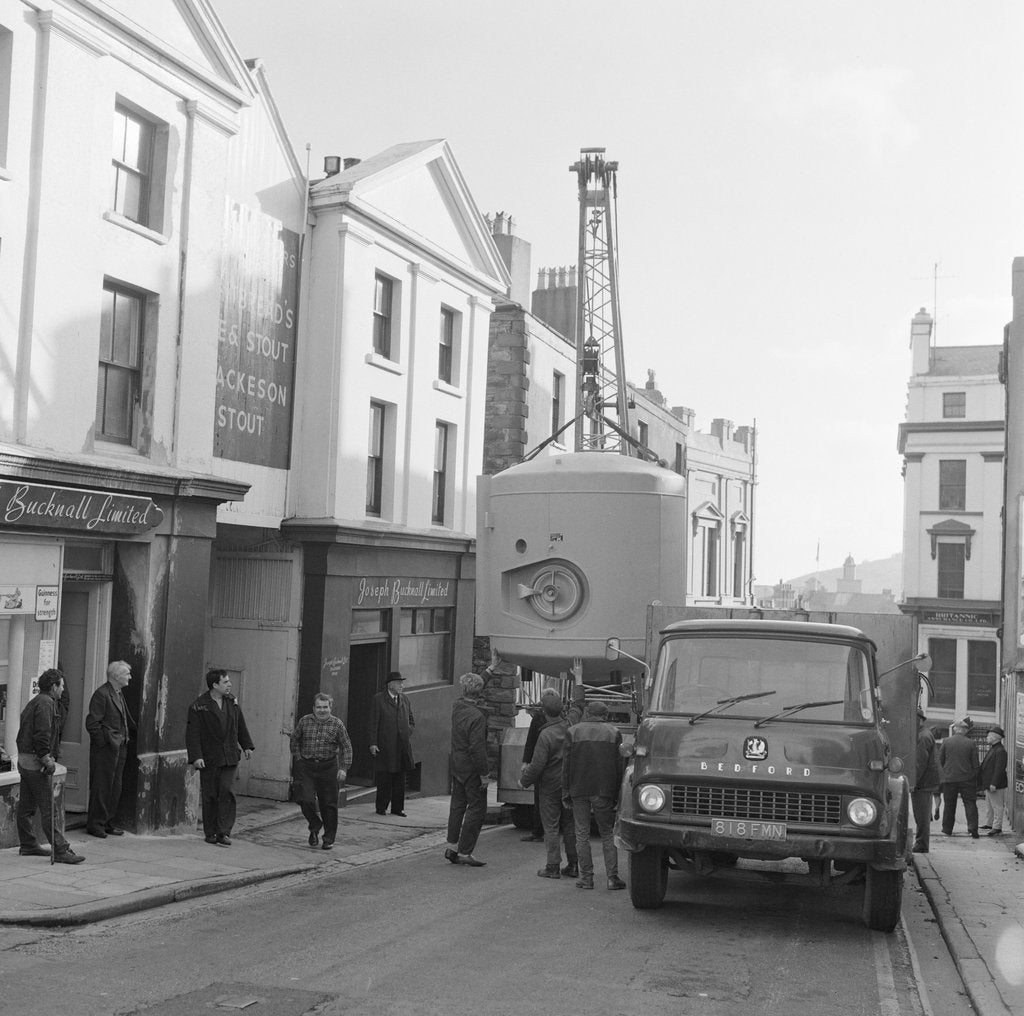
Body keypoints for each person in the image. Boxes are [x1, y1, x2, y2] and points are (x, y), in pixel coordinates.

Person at [16, 669, 84, 863]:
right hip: (35, 762)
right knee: (49, 808)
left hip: (25, 760)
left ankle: (28, 845)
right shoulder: (46, 703)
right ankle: (61, 850)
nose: (63, 690)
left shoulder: (36, 701)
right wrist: (47, 759)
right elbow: (41, 734)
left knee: (27, 806)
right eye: (61, 686)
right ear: (53, 686)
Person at [185, 669, 255, 847]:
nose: (229, 684)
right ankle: (211, 832)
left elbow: (240, 724)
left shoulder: (232, 702)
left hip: (230, 755)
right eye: (225, 682)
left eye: (229, 681)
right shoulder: (199, 706)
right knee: (210, 795)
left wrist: (246, 745)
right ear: (215, 685)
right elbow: (193, 734)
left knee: (227, 791)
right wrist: (196, 757)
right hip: (209, 757)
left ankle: (224, 832)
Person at [562, 700, 625, 891]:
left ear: (587, 713)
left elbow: (566, 765)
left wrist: (565, 791)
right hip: (603, 789)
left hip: (578, 788)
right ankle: (612, 878)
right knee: (607, 833)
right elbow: (619, 767)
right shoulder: (614, 733)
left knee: (581, 833)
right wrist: (618, 795)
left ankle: (586, 878)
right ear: (606, 715)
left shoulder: (573, 732)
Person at [519, 688, 578, 879]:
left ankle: (553, 866)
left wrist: (523, 781)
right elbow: (578, 705)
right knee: (569, 825)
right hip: (569, 783)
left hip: (550, 785)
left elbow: (536, 766)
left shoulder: (545, 735)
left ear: (544, 712)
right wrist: (578, 680)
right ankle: (573, 865)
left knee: (551, 825)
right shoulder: (571, 726)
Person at [290, 693, 353, 850]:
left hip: (329, 767)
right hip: (307, 766)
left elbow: (347, 747)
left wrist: (344, 768)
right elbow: (294, 739)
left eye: (325, 707)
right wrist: (298, 758)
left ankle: (328, 838)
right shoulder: (304, 721)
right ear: (313, 708)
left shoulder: (337, 725)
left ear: (330, 707)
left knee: (329, 804)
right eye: (319, 707)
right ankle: (315, 824)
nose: (322, 710)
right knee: (305, 800)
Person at [84, 660, 135, 837]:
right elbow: (92, 723)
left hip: (120, 746)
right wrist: (103, 743)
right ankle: (95, 824)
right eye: (127, 673)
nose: (130, 676)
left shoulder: (118, 693)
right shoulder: (102, 694)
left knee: (115, 787)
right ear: (115, 676)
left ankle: (108, 822)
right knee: (102, 786)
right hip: (106, 748)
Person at [444, 672, 489, 866]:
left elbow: (472, 691)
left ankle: (452, 845)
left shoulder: (457, 707)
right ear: (479, 693)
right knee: (477, 808)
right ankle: (465, 851)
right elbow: (477, 748)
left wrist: (489, 670)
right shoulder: (477, 717)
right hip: (471, 767)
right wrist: (484, 773)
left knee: (457, 805)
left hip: (457, 763)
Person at [369, 671, 415, 817]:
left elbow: (411, 719)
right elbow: (373, 722)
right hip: (386, 745)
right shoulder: (379, 699)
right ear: (391, 684)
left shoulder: (405, 699)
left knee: (400, 779)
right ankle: (381, 807)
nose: (402, 685)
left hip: (402, 746)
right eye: (399, 683)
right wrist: (373, 743)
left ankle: (398, 808)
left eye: (402, 683)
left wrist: (408, 731)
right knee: (385, 778)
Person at [938, 721, 980, 838]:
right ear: (966, 730)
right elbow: (976, 764)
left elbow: (939, 761)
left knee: (949, 805)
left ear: (955, 729)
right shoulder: (971, 743)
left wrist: (944, 775)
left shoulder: (946, 742)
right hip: (967, 779)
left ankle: (947, 830)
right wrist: (972, 777)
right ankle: (973, 829)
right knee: (970, 804)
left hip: (949, 779)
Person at [910, 711, 940, 853]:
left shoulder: (922, 736)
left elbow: (919, 762)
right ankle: (921, 843)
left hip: (923, 782)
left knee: (921, 815)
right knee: (922, 814)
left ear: (919, 720)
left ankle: (921, 844)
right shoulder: (925, 734)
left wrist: (912, 782)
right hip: (926, 781)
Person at [979, 725, 1008, 836]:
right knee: (990, 805)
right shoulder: (994, 748)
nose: (987, 738)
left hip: (995, 784)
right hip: (989, 783)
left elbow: (999, 769)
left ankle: (997, 827)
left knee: (997, 806)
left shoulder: (1000, 750)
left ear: (995, 737)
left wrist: (994, 783)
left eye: (989, 736)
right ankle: (989, 823)